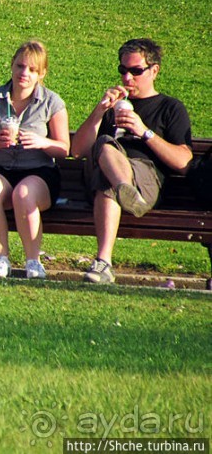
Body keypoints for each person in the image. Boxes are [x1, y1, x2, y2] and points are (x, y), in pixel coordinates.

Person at [71, 38, 193, 284]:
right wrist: (99, 111)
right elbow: (77, 151)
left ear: (154, 70)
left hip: (145, 178)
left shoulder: (170, 107)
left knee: (107, 176)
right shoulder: (111, 107)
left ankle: (103, 263)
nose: (128, 78)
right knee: (105, 148)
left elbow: (184, 162)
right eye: (123, 70)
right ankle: (125, 190)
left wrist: (144, 132)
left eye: (136, 71)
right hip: (108, 174)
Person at [0, 41, 70, 280]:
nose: (24, 73)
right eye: (20, 66)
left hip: (39, 171)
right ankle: (1, 259)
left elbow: (64, 148)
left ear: (41, 74)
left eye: (32, 70)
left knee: (23, 193)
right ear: (12, 66)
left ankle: (33, 261)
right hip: (2, 167)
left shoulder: (52, 102)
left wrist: (41, 142)